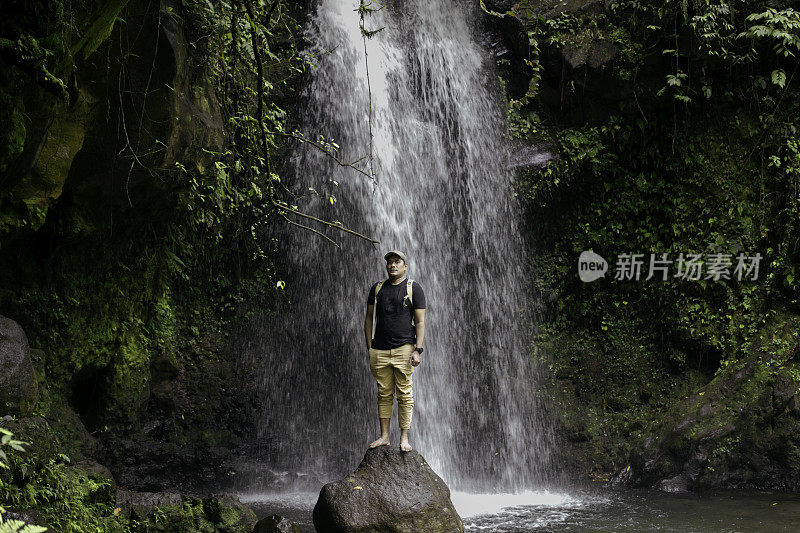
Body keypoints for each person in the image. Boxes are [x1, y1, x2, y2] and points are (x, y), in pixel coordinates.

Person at [364, 250, 426, 452]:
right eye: (390, 262)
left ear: (405, 266)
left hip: (404, 349)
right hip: (379, 350)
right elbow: (368, 318)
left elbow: (420, 321)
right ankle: (384, 436)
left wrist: (418, 349)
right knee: (383, 393)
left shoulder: (413, 288)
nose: (393, 265)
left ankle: (404, 438)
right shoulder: (377, 288)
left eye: (397, 262)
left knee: (405, 394)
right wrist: (369, 347)